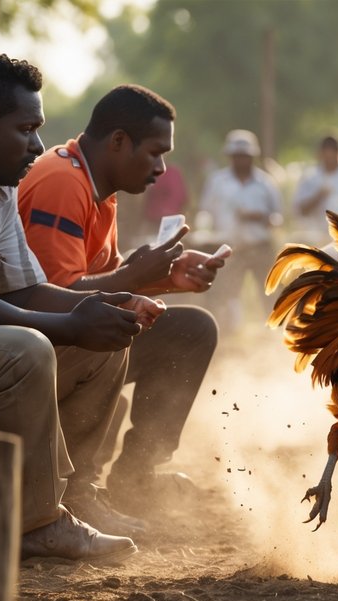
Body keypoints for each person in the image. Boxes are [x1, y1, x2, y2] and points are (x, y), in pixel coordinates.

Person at [0, 51, 145, 563]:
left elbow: (26, 288)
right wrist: (67, 323)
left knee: (104, 343)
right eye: (27, 129)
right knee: (27, 348)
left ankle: (66, 497)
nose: (37, 145)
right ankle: (37, 522)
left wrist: (97, 303)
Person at [17, 84, 222, 517]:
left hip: (63, 334)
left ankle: (138, 477)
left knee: (192, 330)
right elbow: (55, 302)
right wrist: (134, 277)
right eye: (154, 153)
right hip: (32, 348)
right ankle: (77, 494)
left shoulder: (96, 188)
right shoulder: (62, 182)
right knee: (109, 331)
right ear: (117, 142)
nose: (162, 168)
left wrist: (167, 277)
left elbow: (99, 281)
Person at [197, 128, 281, 330]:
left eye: (245, 156)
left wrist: (261, 217)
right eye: (237, 156)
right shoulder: (217, 182)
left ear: (252, 157)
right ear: (230, 157)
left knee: (269, 292)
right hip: (228, 248)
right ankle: (229, 332)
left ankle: (274, 333)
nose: (241, 160)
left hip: (259, 245)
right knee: (226, 292)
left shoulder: (265, 183)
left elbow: (278, 217)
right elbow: (205, 212)